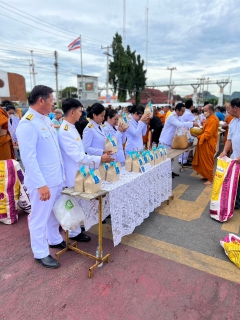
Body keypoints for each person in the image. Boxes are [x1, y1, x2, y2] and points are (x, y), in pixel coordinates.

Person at [16, 85, 65, 269]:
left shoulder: (44, 120)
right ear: (41, 100)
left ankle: (53, 238)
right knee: (39, 217)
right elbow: (29, 159)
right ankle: (40, 252)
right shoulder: (28, 123)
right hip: (43, 182)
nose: (53, 104)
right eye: (51, 100)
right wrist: (40, 184)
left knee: (53, 213)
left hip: (55, 178)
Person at [58, 98, 114, 240]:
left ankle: (76, 229)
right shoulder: (65, 131)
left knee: (79, 203)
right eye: (79, 111)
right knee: (74, 203)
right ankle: (73, 233)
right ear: (72, 112)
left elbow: (82, 151)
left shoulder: (71, 128)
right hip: (72, 173)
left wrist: (100, 154)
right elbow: (78, 156)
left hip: (79, 171)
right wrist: (99, 158)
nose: (81, 114)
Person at [159, 103, 199, 178]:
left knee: (171, 158)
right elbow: (179, 124)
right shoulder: (172, 116)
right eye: (182, 111)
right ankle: (164, 174)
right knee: (166, 159)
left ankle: (170, 171)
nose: (183, 113)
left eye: (184, 111)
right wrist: (192, 124)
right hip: (165, 140)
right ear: (177, 110)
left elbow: (181, 126)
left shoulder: (178, 116)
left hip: (171, 140)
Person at [220, 98, 240, 209]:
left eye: (230, 108)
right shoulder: (233, 121)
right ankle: (235, 202)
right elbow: (229, 139)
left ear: (235, 108)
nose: (228, 110)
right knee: (235, 181)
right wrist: (224, 151)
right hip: (235, 157)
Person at [192, 104, 219, 185]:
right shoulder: (209, 118)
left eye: (205, 110)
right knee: (202, 161)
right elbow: (205, 130)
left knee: (208, 161)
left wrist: (198, 136)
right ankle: (205, 175)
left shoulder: (213, 120)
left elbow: (207, 134)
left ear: (210, 111)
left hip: (208, 144)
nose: (204, 112)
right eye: (203, 110)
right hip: (204, 143)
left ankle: (210, 178)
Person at [178, 100, 195, 166]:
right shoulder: (189, 114)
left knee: (182, 146)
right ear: (191, 106)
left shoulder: (183, 112)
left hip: (180, 132)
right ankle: (184, 161)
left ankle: (180, 160)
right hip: (187, 132)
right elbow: (194, 122)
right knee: (187, 147)